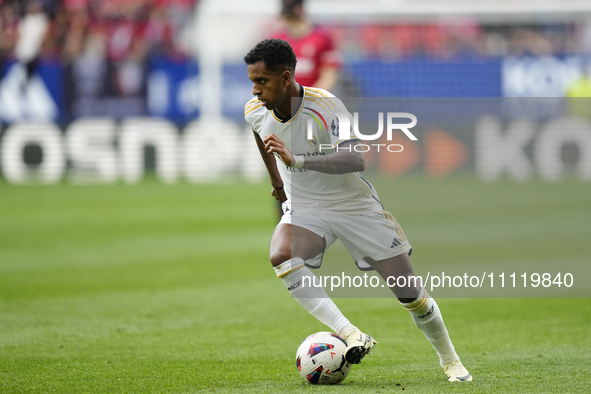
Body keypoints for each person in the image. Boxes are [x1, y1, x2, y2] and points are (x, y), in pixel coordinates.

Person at [243, 38, 472, 383]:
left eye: (262, 81)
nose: (256, 90)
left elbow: (356, 158)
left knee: (410, 293)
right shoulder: (254, 110)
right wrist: (277, 182)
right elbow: (263, 138)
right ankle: (350, 334)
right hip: (305, 207)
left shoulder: (326, 106)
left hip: (353, 206)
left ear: (286, 78)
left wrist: (298, 159)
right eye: (252, 82)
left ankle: (451, 361)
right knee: (282, 255)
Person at [274, 0, 340, 92]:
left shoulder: (322, 38)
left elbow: (329, 75)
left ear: (299, 10)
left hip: (314, 102)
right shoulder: (277, 41)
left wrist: (308, 98)